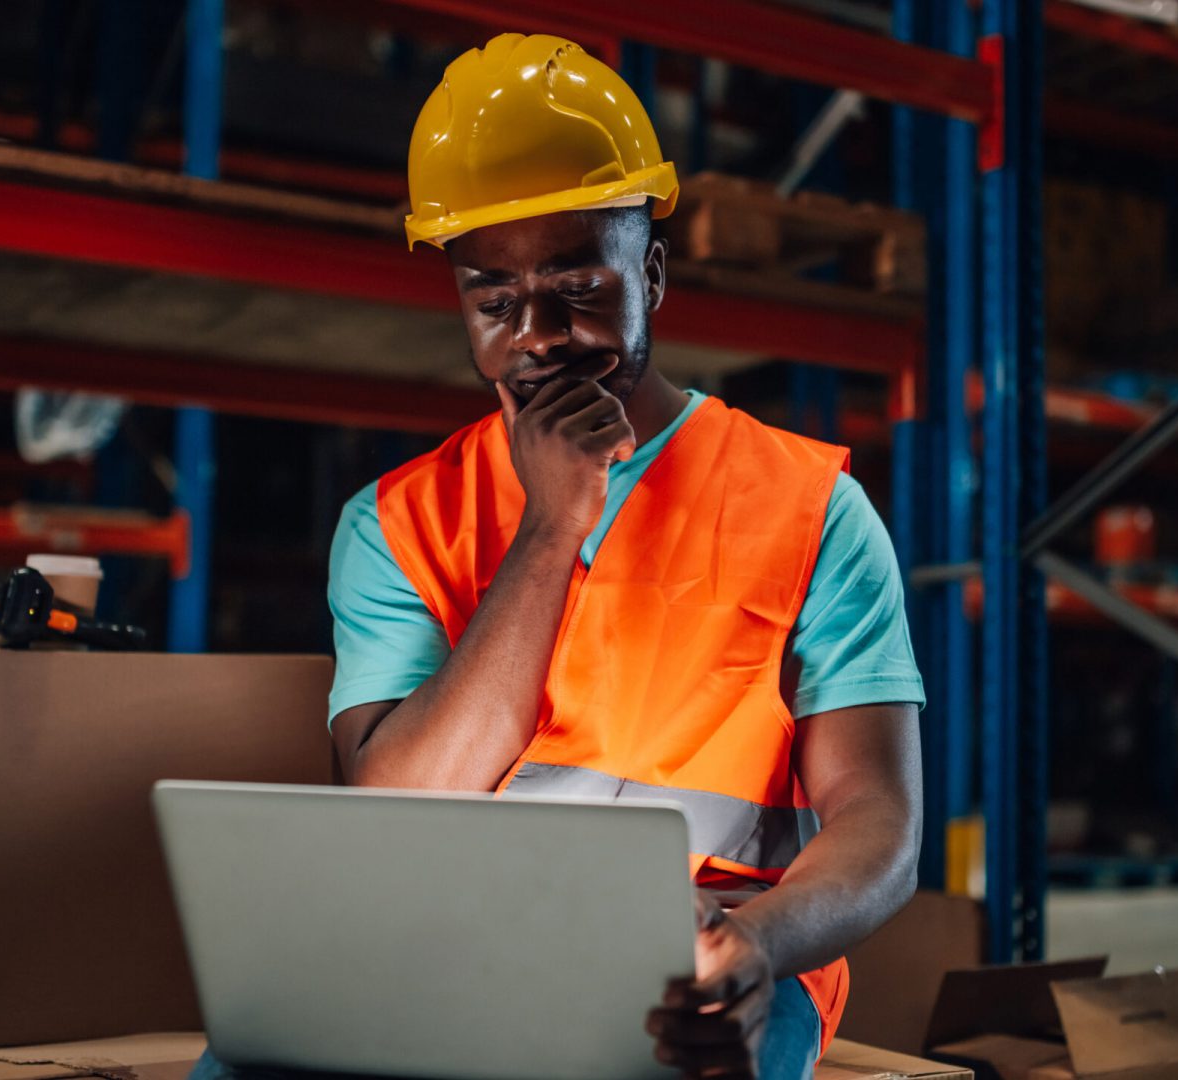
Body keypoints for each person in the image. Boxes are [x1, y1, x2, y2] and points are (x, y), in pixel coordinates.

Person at [192, 32, 924, 1080]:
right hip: (452, 944)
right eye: (494, 301)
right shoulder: (396, 524)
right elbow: (401, 813)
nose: (536, 335)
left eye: (578, 286)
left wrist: (756, 950)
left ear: (651, 274)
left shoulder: (813, 510)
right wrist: (550, 528)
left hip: (703, 959)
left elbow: (880, 821)